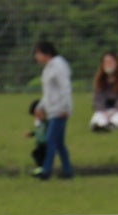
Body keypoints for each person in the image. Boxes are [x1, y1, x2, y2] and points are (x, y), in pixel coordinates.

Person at [32, 40, 74, 180]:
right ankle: (67, 170)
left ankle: (46, 170)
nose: (36, 57)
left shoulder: (59, 66)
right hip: (52, 110)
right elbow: (48, 92)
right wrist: (40, 106)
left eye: (38, 53)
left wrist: (66, 107)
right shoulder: (48, 68)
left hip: (59, 110)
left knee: (50, 140)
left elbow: (65, 88)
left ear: (46, 53)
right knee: (59, 143)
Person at [90, 51, 118, 131]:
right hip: (107, 107)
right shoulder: (100, 79)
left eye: (111, 62)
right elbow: (97, 98)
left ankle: (111, 125)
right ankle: (98, 126)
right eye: (106, 62)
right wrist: (102, 111)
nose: (108, 64)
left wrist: (116, 110)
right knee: (98, 117)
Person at [25, 100, 48, 168]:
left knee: (37, 154)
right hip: (40, 143)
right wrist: (31, 133)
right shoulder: (41, 122)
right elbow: (38, 131)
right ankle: (41, 168)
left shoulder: (47, 121)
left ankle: (41, 169)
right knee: (36, 154)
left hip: (45, 144)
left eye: (35, 114)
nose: (36, 117)